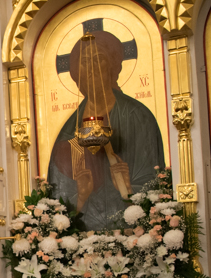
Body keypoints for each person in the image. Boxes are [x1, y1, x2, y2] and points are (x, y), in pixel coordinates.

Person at [48, 30, 165, 231]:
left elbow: (154, 180)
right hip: (84, 235)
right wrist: (80, 195)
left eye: (99, 59)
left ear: (112, 66)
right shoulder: (68, 132)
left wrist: (128, 187)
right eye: (85, 62)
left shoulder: (138, 116)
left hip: (134, 233)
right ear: (76, 73)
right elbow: (58, 196)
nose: (91, 68)